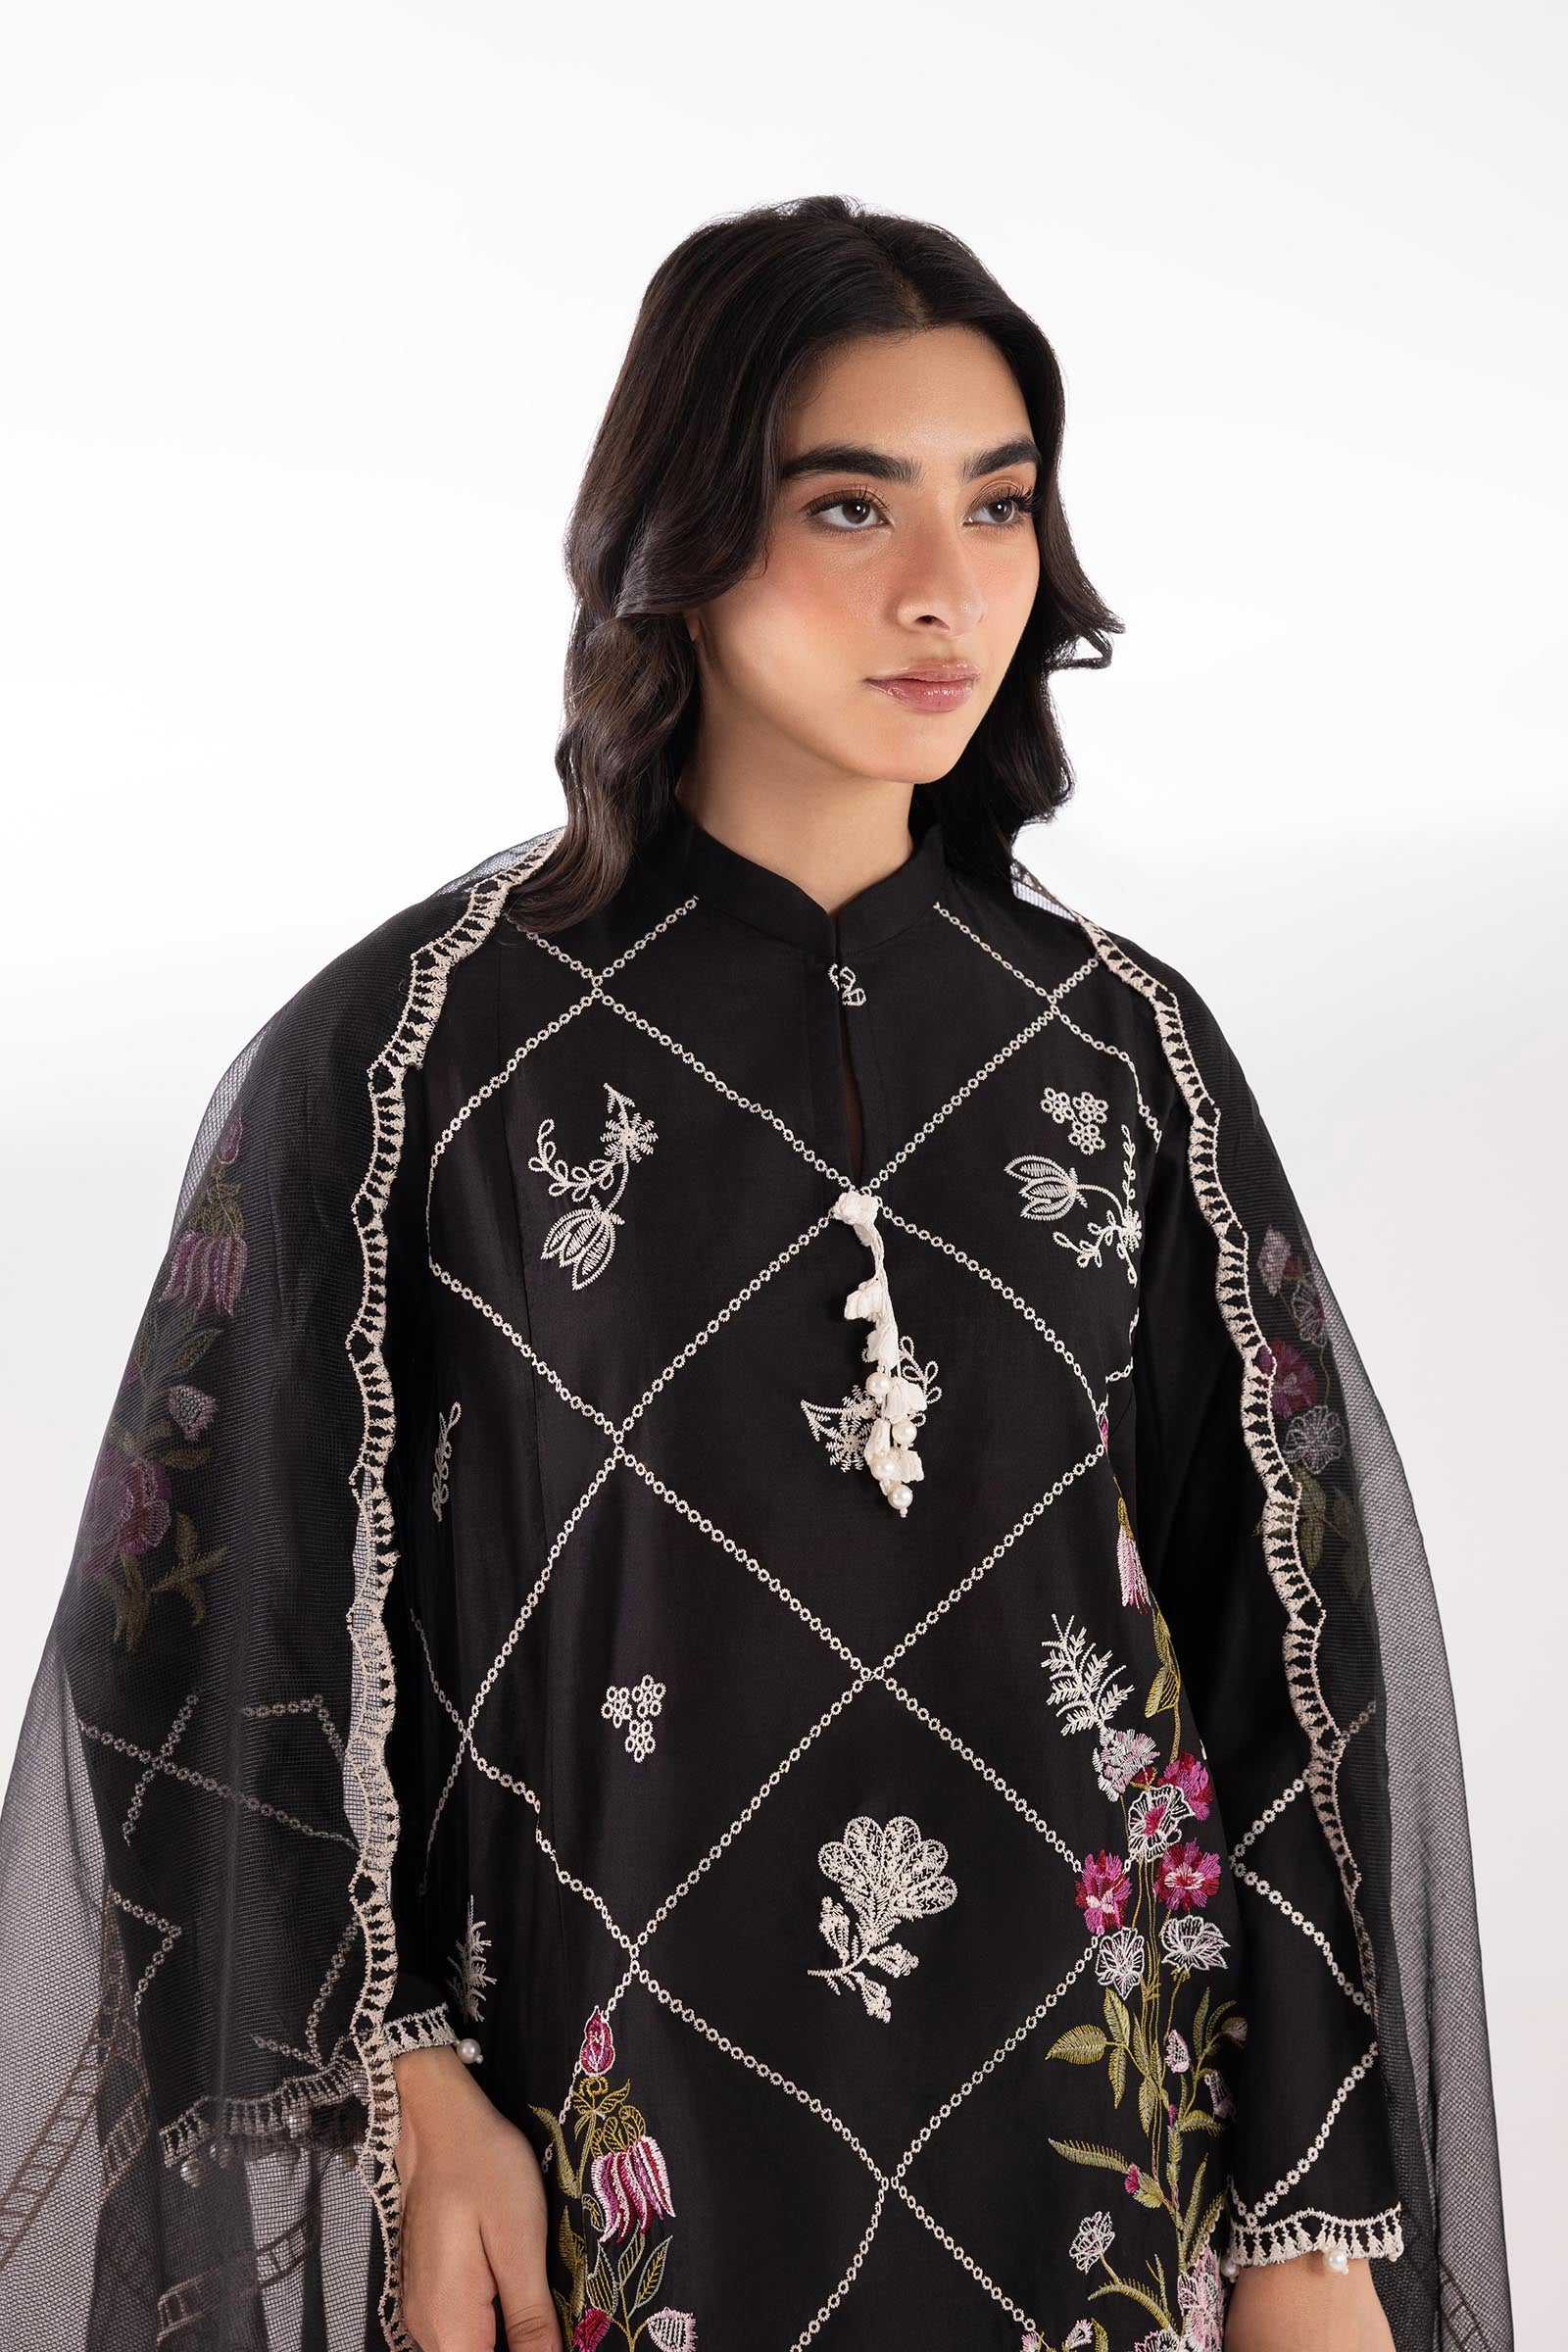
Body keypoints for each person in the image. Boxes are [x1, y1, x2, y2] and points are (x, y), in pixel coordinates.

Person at [0, 196, 1509, 2352]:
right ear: (681, 536)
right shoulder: (422, 1056)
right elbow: (189, 1634)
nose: (943, 586)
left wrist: (1303, 2222)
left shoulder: (1123, 1057)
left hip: (1098, 2184)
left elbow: (1283, 1651)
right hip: (609, 2189)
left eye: (998, 506)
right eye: (847, 506)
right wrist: (406, 2083)